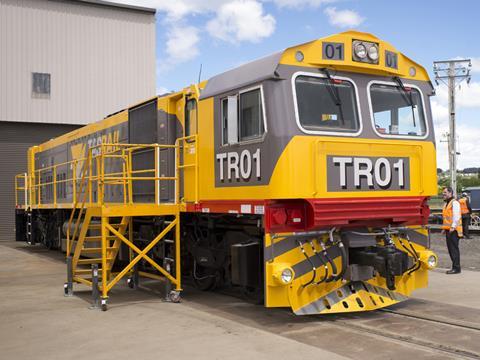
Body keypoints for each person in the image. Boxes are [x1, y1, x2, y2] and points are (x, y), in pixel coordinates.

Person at [442, 187, 462, 274]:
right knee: (451, 249)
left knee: (453, 249)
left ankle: (456, 268)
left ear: (450, 193)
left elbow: (456, 216)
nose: (443, 194)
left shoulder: (454, 203)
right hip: (449, 230)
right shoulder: (447, 203)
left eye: (445, 193)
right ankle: (455, 267)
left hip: (454, 230)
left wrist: (453, 227)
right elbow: (447, 218)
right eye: (443, 193)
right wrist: (444, 229)